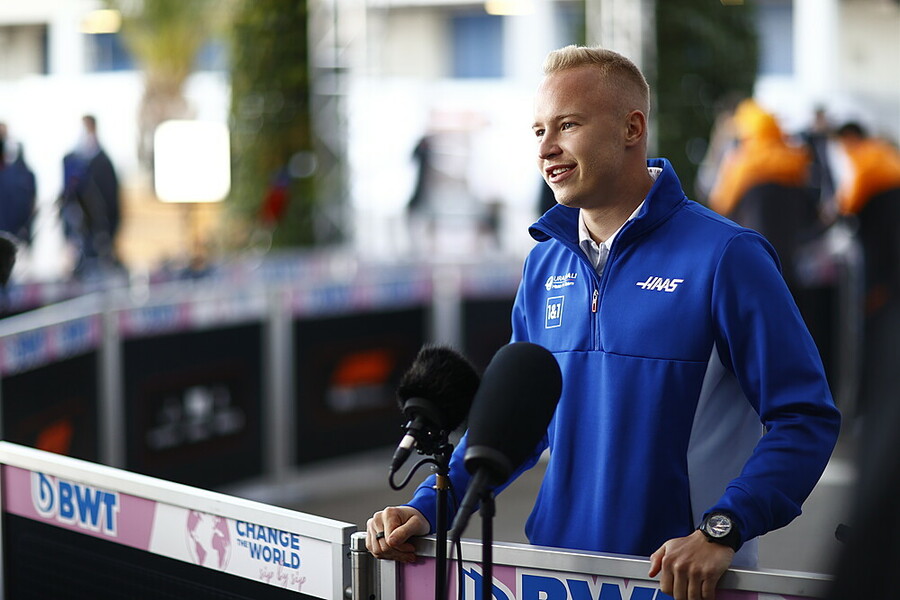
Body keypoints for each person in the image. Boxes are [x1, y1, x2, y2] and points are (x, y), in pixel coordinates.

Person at [367, 45, 841, 600]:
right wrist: (430, 506)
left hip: (678, 580)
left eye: (567, 125)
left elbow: (804, 417)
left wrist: (724, 528)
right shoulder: (545, 262)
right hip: (556, 576)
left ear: (631, 128)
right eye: (538, 130)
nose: (546, 148)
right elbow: (515, 425)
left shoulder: (727, 255)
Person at [58, 114, 122, 276]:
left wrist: (108, 229)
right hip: (80, 228)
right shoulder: (72, 160)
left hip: (99, 229)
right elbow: (68, 196)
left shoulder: (103, 161)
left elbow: (111, 198)